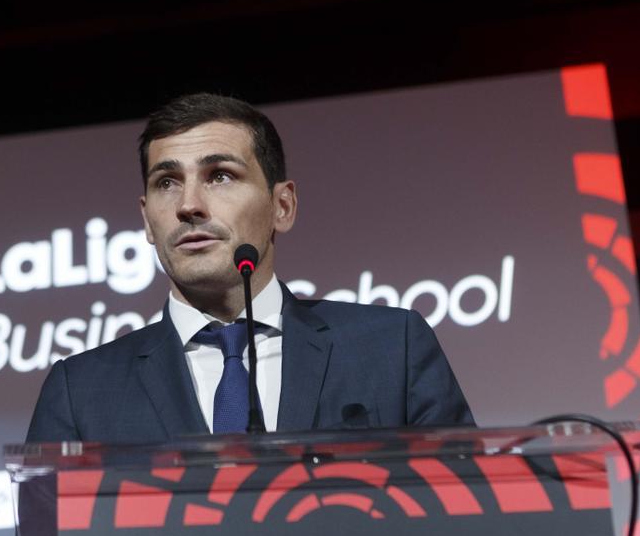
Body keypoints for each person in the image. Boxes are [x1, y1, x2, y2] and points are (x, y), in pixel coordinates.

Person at [24, 92, 473, 445]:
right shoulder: (82, 392)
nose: (189, 205)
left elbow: (465, 529)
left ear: (283, 205)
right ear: (145, 219)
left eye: (219, 175)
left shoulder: (391, 349)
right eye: (167, 182)